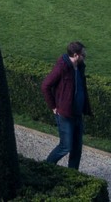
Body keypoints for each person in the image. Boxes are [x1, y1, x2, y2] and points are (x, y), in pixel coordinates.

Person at [41, 41, 91, 169]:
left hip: (77, 114)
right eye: (83, 54)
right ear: (75, 55)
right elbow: (45, 85)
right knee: (65, 146)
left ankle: (72, 174)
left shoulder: (79, 67)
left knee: (76, 148)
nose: (85, 56)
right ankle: (47, 167)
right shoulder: (62, 67)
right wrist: (53, 107)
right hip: (65, 115)